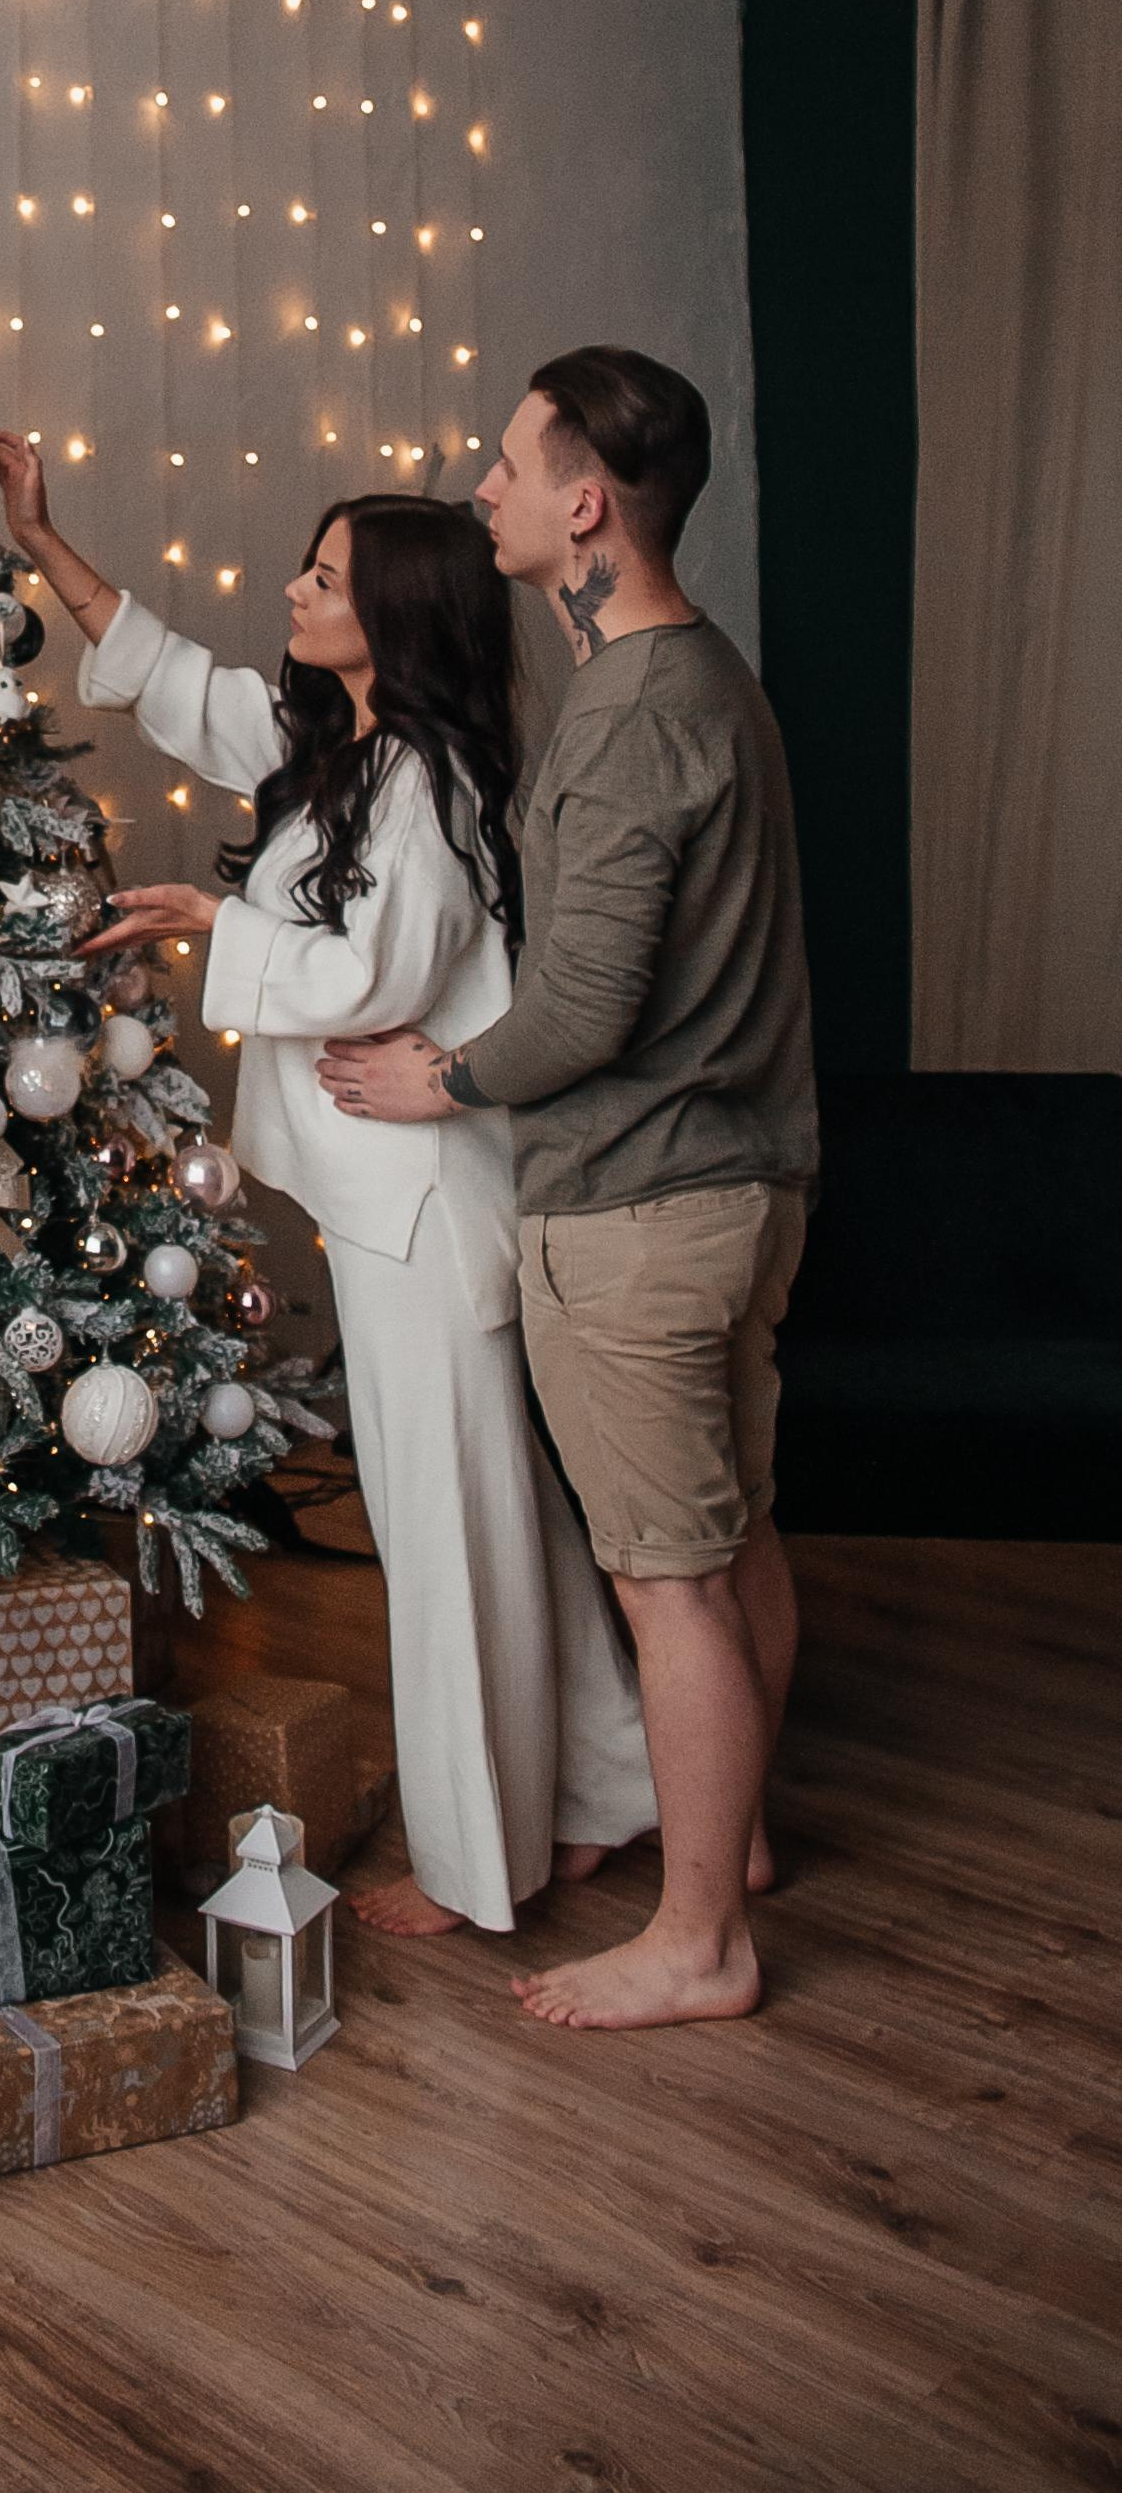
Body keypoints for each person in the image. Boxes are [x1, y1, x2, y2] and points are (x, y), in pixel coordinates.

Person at [0, 428, 655, 1940]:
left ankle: (484, 1870)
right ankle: (609, 1793)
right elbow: (183, 686)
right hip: (396, 1203)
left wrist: (219, 925)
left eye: (326, 575)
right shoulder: (343, 750)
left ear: (394, 613)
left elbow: (378, 973)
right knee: (507, 1517)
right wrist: (41, 532)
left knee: (445, 1538)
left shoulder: (425, 781)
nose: (293, 586)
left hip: (430, 1208)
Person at [319, 348, 817, 2032]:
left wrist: (435, 1079)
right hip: (745, 1188)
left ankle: (698, 1941)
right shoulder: (710, 676)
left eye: (513, 467)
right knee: (731, 1534)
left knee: (662, 1576)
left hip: (640, 1209)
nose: (485, 492)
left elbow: (587, 1005)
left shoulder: (621, 719)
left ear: (588, 504)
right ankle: (724, 1850)